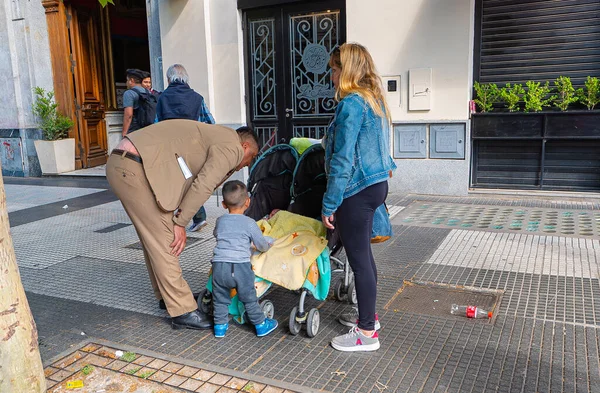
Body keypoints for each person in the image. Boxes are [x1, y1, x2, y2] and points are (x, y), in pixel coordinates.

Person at [106, 120, 260, 330]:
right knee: (165, 239)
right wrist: (181, 222)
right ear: (245, 147)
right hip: (134, 166)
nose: (246, 164)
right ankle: (182, 310)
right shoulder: (232, 146)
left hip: (127, 163)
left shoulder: (218, 136)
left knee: (153, 238)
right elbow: (203, 184)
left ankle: (168, 298)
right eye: (250, 157)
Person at [321, 43, 396, 352]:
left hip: (356, 189)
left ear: (347, 70)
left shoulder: (351, 104)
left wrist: (329, 202)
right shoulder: (373, 100)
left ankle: (366, 334)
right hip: (375, 185)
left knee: (359, 261)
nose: (332, 77)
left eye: (335, 70)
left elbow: (343, 159)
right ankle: (370, 319)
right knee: (364, 256)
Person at [210, 180, 278, 338]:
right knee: (249, 298)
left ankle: (219, 327)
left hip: (219, 266)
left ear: (223, 204)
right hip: (240, 268)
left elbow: (217, 235)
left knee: (220, 299)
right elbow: (261, 244)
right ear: (248, 202)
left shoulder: (220, 221)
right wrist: (267, 246)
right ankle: (261, 325)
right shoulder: (249, 223)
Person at [156, 64, 215, 232]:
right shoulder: (197, 98)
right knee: (191, 182)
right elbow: (210, 123)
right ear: (186, 78)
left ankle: (191, 217)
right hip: (194, 147)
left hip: (171, 148)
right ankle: (196, 217)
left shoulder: (162, 98)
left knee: (176, 183)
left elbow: (156, 125)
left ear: (169, 79)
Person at [122, 69, 156, 137]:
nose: (127, 83)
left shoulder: (129, 93)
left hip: (135, 129)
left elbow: (128, 115)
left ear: (131, 80)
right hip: (148, 127)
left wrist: (124, 132)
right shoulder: (148, 92)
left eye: (127, 80)